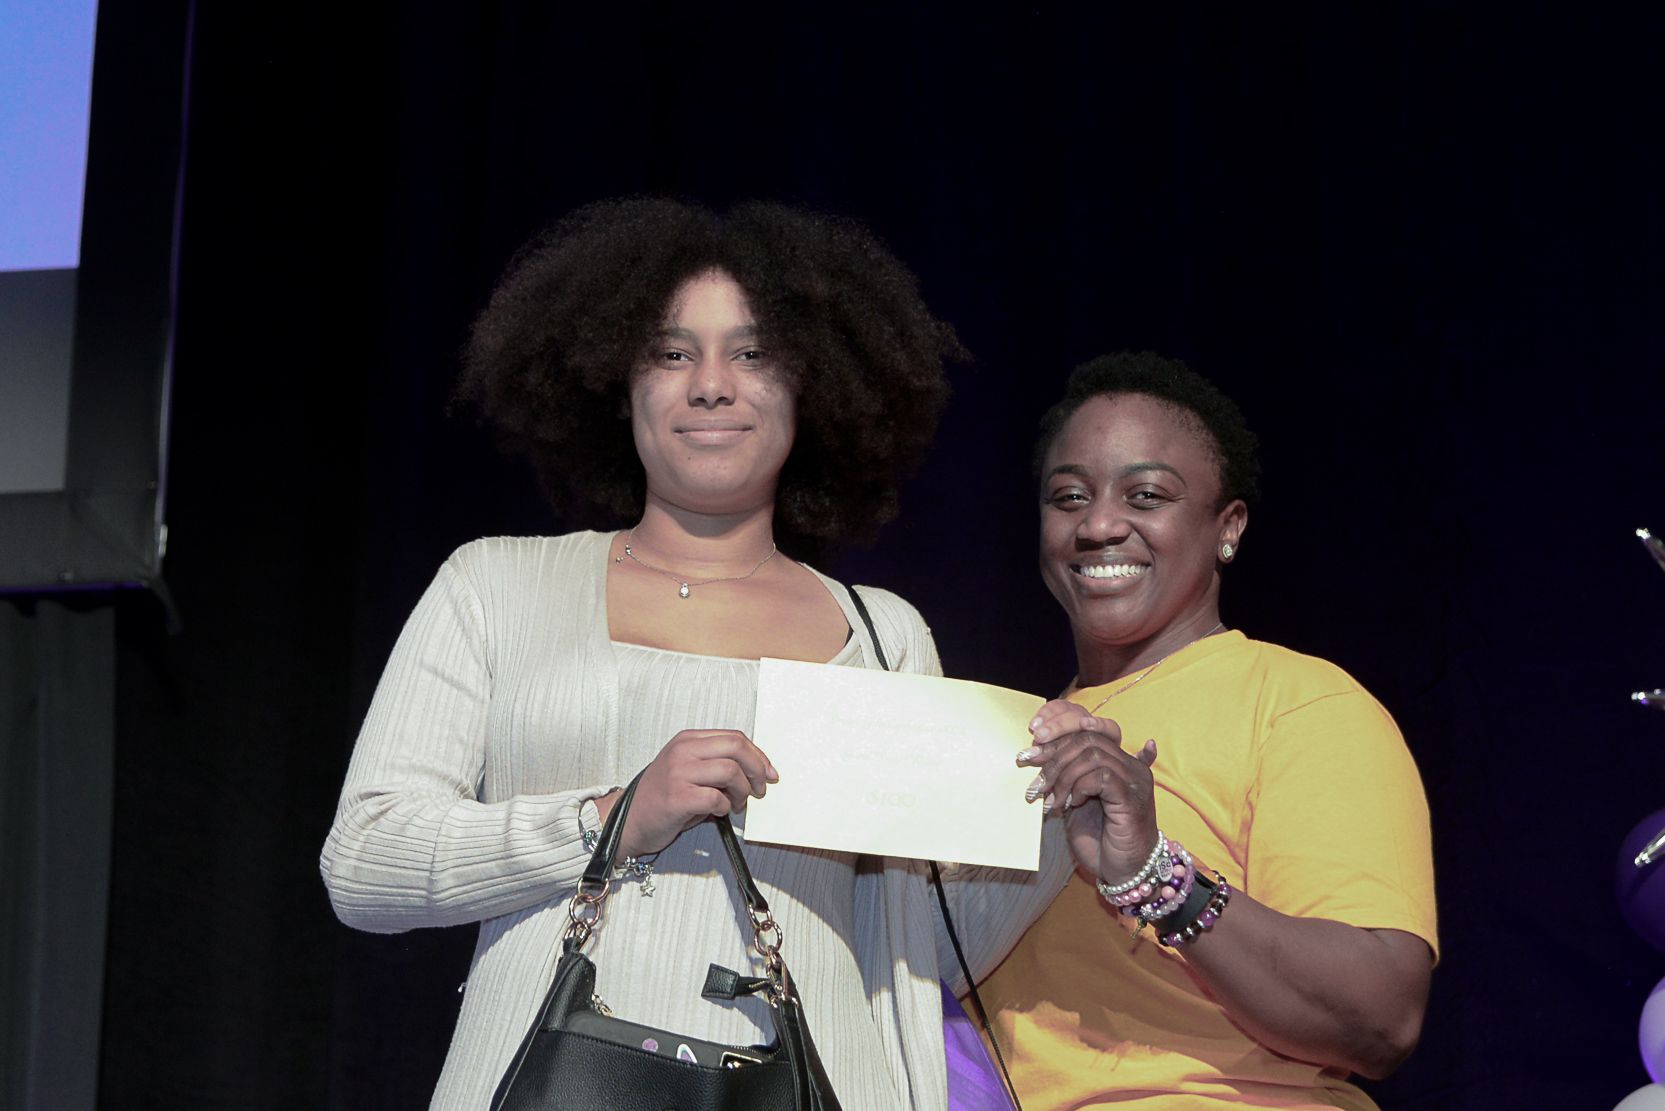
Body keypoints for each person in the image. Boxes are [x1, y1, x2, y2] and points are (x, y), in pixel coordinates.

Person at [319, 198, 1069, 1109]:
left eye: (752, 354)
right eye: (671, 353)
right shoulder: (495, 587)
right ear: (616, 382)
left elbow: (920, 947)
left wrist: (1061, 818)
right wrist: (608, 818)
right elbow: (365, 863)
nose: (711, 384)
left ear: (813, 384)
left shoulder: (882, 634)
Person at [990, 352, 1437, 1109]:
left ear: (1226, 527)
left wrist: (1156, 875)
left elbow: (1381, 1017)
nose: (1098, 525)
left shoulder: (1299, 704)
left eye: (1146, 495)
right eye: (1068, 497)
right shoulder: (1011, 737)